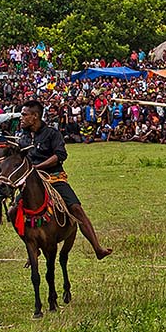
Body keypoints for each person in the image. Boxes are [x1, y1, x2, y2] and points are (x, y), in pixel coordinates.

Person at [17, 100, 112, 260]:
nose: (21, 118)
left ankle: (97, 248)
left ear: (35, 116)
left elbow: (60, 155)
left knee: (76, 208)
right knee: (14, 210)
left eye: (24, 115)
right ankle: (31, 246)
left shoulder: (52, 134)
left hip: (54, 178)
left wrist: (38, 167)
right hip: (32, 183)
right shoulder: (23, 137)